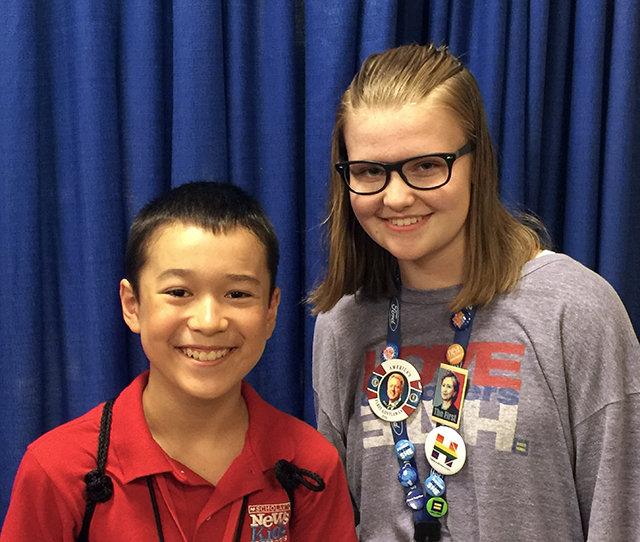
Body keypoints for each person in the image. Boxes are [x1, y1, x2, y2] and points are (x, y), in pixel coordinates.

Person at [310, 43, 640, 542]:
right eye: (370, 172)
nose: (396, 197)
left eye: (425, 166)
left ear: (476, 163)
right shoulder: (342, 324)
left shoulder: (576, 309)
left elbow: (621, 515)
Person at [1, 181, 358, 542]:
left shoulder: (310, 466)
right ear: (132, 304)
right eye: (178, 292)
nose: (208, 321)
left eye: (237, 294)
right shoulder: (58, 468)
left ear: (270, 310)